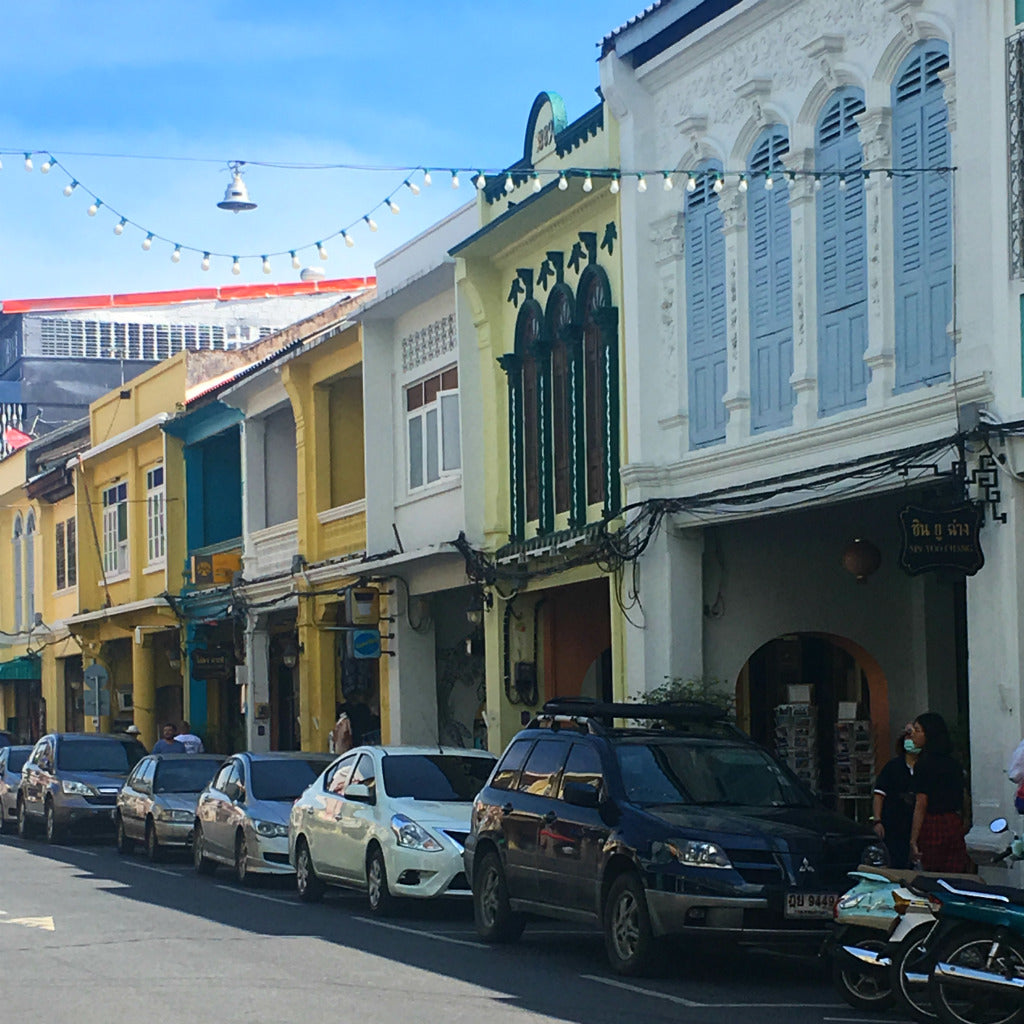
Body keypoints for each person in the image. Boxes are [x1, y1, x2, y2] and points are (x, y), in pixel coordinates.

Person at [908, 711, 970, 872]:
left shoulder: (923, 764)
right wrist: (965, 820)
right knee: (954, 873)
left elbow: (921, 802)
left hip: (932, 824)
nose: (912, 734)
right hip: (953, 821)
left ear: (929, 734)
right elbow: (964, 795)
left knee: (933, 874)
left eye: (917, 730)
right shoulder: (953, 762)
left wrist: (913, 840)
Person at [871, 729, 920, 869]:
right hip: (894, 826)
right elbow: (879, 795)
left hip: (918, 827)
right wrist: (877, 820)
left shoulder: (926, 767)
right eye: (908, 735)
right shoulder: (892, 767)